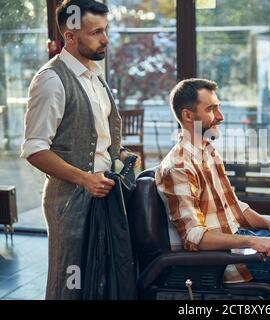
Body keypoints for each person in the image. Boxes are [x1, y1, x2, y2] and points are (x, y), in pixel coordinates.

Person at [155, 78, 270, 300]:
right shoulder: (178, 167)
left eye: (219, 107)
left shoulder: (208, 152)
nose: (221, 116)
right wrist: (252, 241)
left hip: (239, 238)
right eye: (211, 109)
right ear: (188, 116)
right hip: (222, 258)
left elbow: (236, 208)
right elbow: (194, 237)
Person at [20, 0, 140, 299]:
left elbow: (96, 136)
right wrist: (83, 178)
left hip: (104, 197)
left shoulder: (95, 75)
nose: (105, 39)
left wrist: (120, 155)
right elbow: (34, 149)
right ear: (70, 36)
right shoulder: (50, 80)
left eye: (105, 30)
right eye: (96, 32)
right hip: (70, 202)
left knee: (101, 282)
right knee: (70, 283)